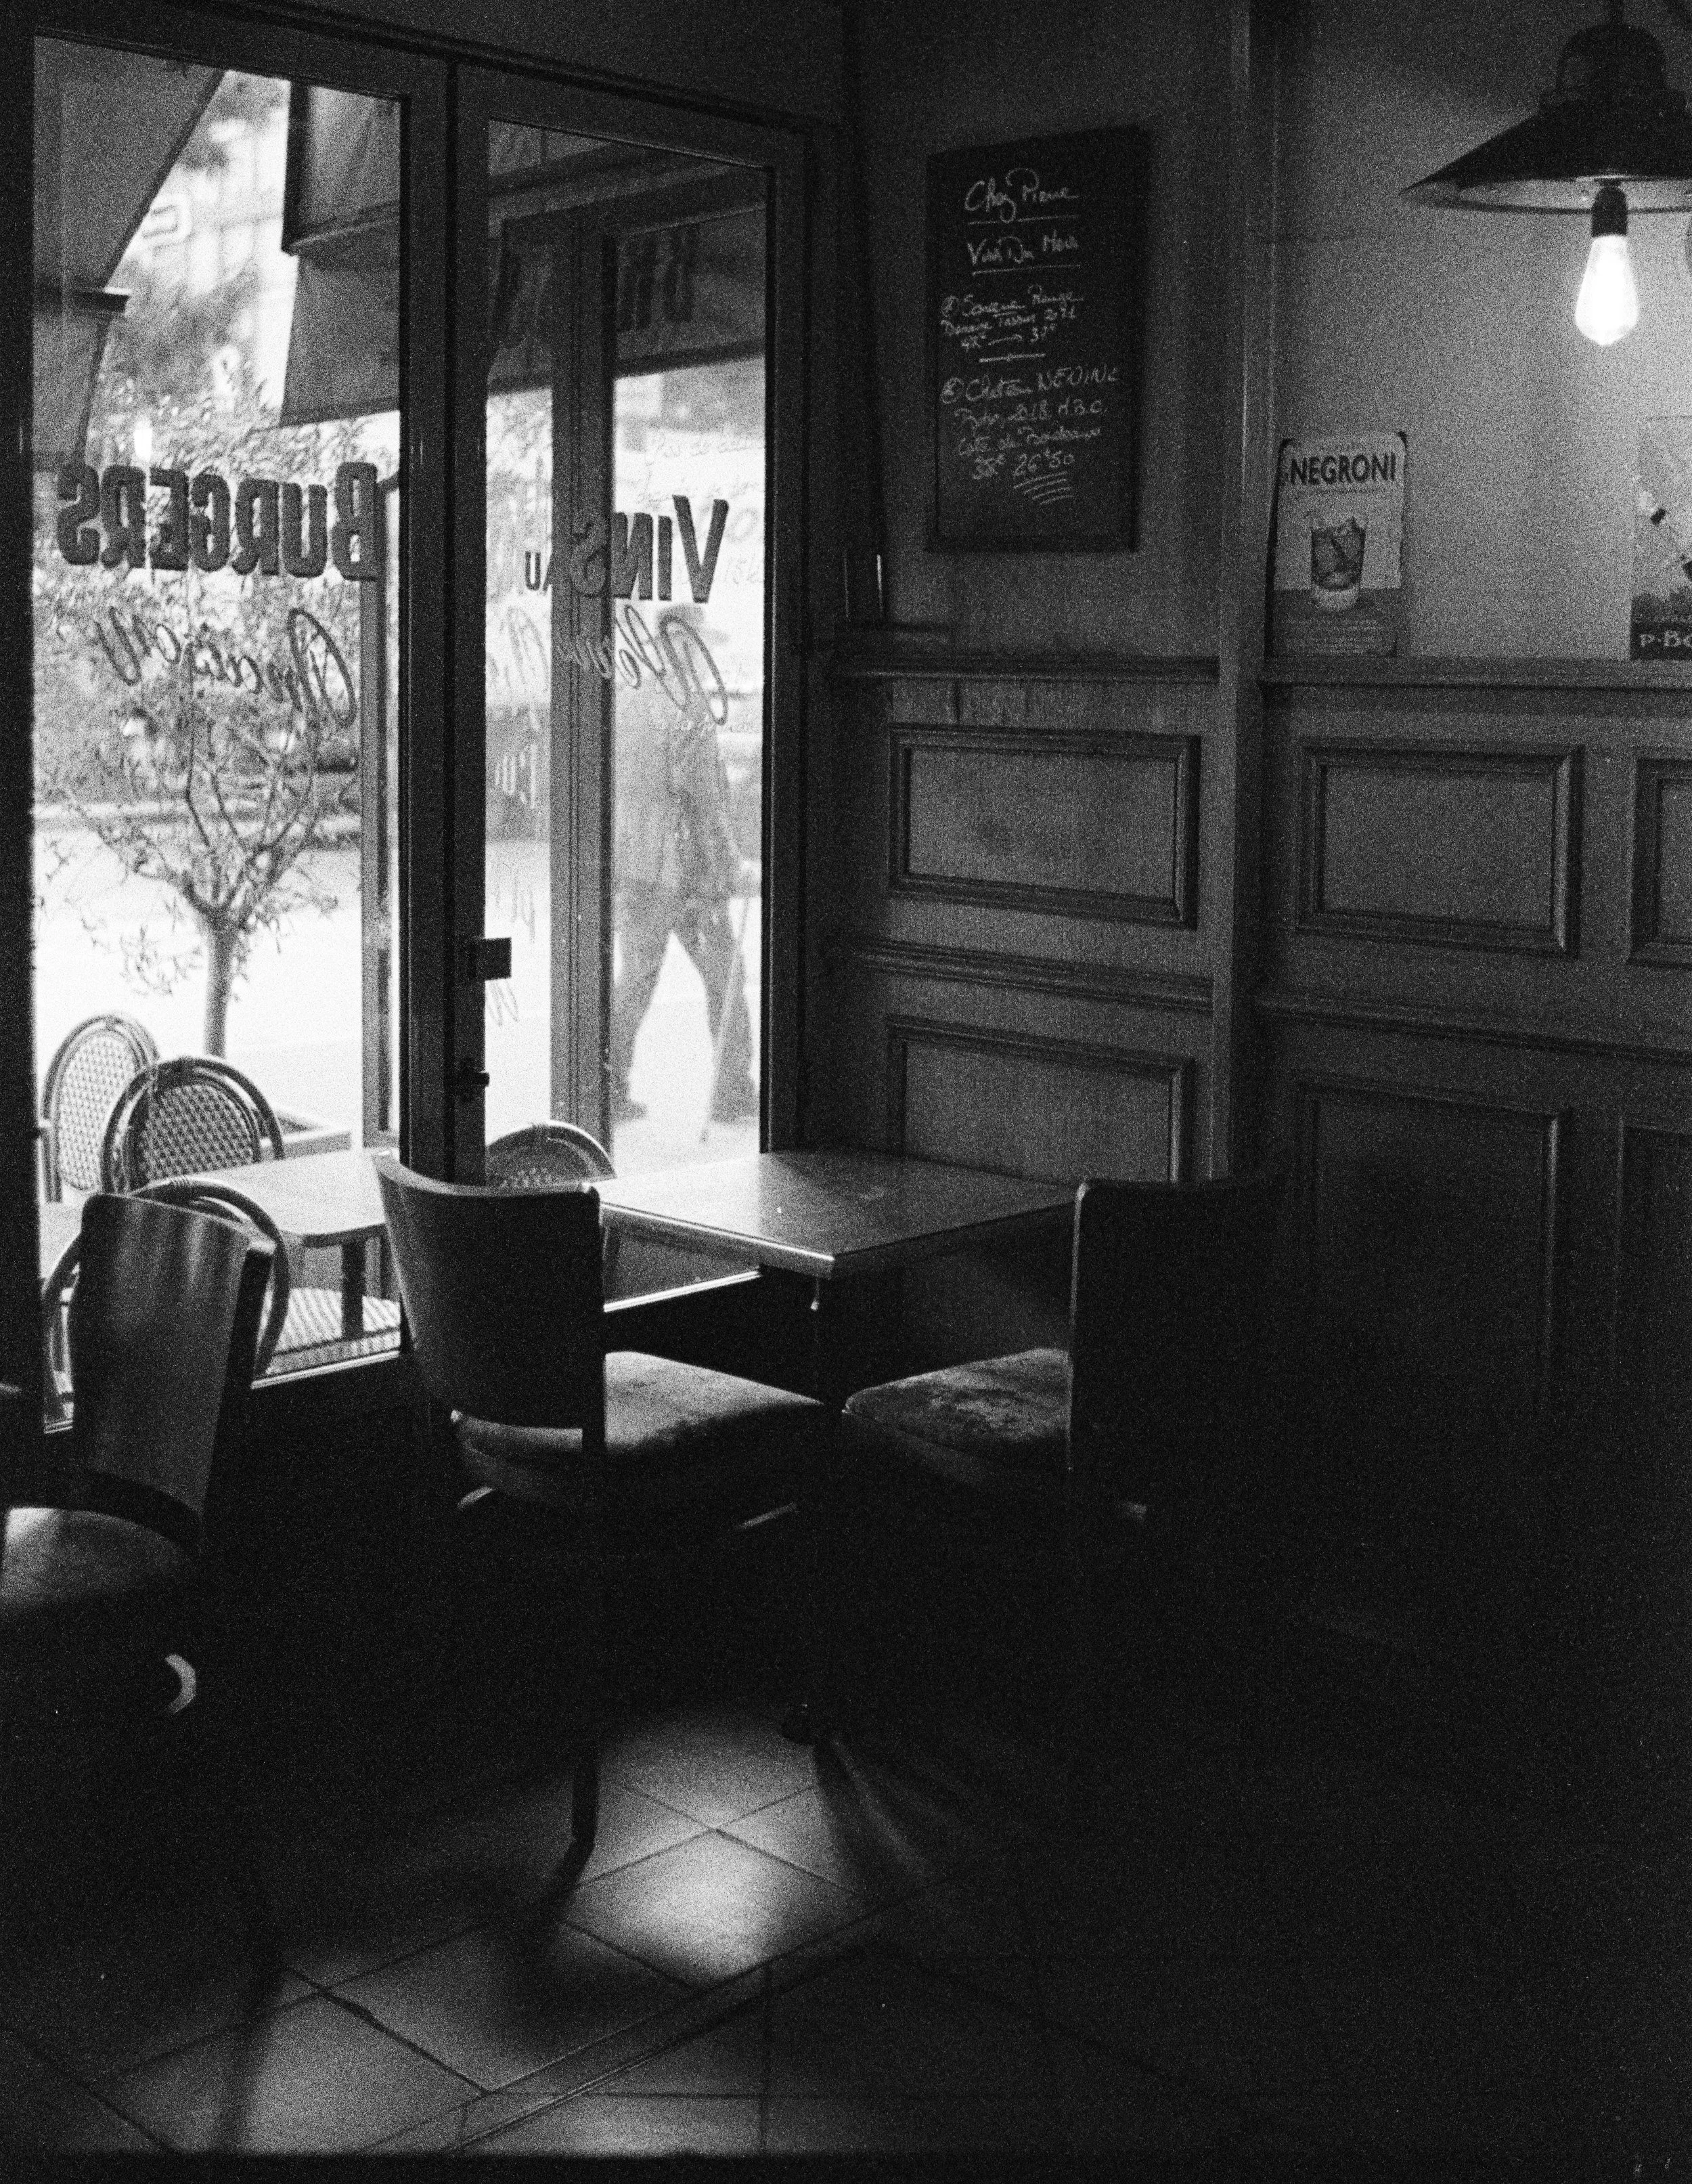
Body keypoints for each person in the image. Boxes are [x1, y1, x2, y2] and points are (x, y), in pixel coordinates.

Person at [610, 677, 756, 1126]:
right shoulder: (687, 705)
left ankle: (608, 1086)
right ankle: (732, 1090)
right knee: (726, 977)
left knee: (635, 982)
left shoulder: (628, 703)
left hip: (641, 870)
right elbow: (703, 799)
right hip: (690, 875)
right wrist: (732, 867)